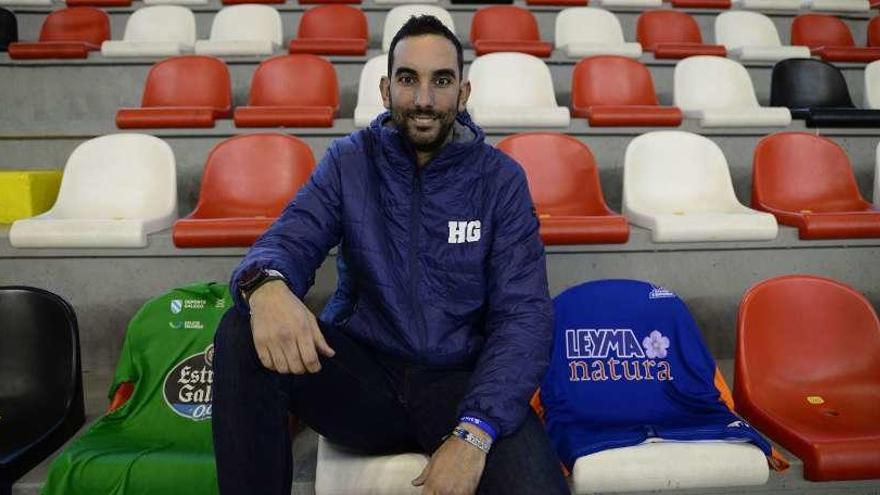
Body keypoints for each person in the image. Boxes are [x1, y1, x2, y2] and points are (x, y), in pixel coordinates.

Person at [212, 15, 570, 495]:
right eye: (408, 79)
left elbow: (523, 315)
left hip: (459, 384)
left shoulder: (499, 180)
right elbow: (290, 237)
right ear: (385, 89)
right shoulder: (349, 161)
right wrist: (265, 284)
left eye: (440, 81)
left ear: (462, 93)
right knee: (242, 328)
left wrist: (474, 433)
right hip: (362, 378)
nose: (423, 99)